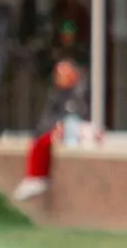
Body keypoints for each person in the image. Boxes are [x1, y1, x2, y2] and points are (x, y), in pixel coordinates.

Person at [13, 59, 89, 201]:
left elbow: (80, 113)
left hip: (79, 130)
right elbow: (48, 117)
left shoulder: (80, 92)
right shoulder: (56, 94)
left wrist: (63, 124)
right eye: (59, 74)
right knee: (40, 140)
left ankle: (37, 177)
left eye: (64, 74)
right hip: (59, 129)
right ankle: (34, 177)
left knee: (45, 140)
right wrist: (52, 126)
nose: (60, 77)